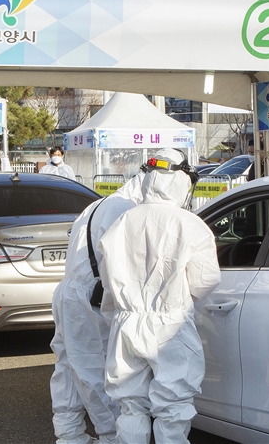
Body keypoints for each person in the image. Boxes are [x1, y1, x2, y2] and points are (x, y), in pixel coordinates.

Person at [97, 149, 221, 444]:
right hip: (171, 325)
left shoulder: (121, 222)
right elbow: (206, 280)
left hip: (127, 323)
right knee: (173, 407)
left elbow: (107, 279)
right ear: (181, 181)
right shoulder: (189, 224)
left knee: (130, 405)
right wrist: (175, 297)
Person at [50, 173, 145, 444]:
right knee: (93, 370)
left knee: (69, 367)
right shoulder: (124, 209)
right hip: (89, 297)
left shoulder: (100, 204)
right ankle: (111, 436)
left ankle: (69, 436)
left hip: (70, 292)